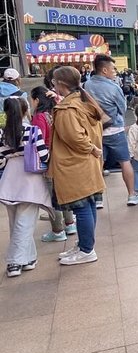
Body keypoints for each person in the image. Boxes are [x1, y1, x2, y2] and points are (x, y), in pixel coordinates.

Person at [50, 66, 105, 266]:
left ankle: (86, 250)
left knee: (81, 208)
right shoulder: (84, 102)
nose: (53, 85)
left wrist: (91, 148)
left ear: (61, 84)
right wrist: (94, 150)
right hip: (87, 163)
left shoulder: (67, 109)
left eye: (54, 82)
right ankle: (85, 245)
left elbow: (75, 137)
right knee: (88, 205)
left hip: (75, 164)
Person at [0, 98, 51, 277]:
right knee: (25, 223)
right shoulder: (32, 131)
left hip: (9, 180)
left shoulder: (2, 133)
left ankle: (28, 258)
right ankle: (15, 262)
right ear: (24, 110)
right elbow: (44, 156)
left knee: (16, 222)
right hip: (29, 180)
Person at [84, 54, 138, 206]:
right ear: (104, 70)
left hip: (96, 131)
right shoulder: (113, 87)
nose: (114, 72)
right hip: (115, 129)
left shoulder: (86, 86)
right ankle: (131, 195)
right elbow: (122, 109)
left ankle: (98, 199)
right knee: (125, 162)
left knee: (98, 164)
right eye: (112, 69)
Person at [31, 86, 77, 243]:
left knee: (52, 197)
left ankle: (58, 230)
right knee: (63, 193)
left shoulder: (39, 117)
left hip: (48, 160)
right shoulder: (55, 111)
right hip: (61, 157)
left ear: (37, 100)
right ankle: (70, 224)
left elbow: (39, 141)